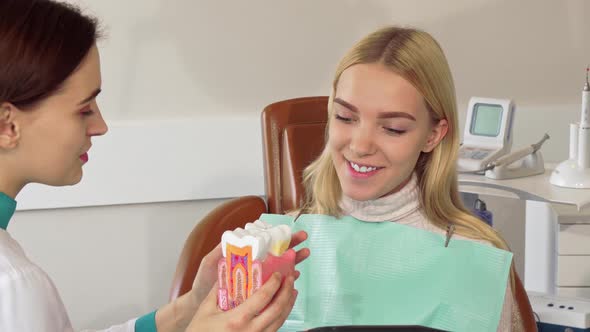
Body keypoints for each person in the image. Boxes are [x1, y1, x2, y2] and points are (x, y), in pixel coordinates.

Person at [0, 0, 308, 331]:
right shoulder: (13, 283)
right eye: (84, 109)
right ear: (8, 126)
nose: (100, 125)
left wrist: (190, 306)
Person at [300, 26, 521, 330]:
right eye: (345, 118)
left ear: (433, 135)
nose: (360, 146)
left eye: (393, 128)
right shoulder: (286, 245)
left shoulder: (473, 260)